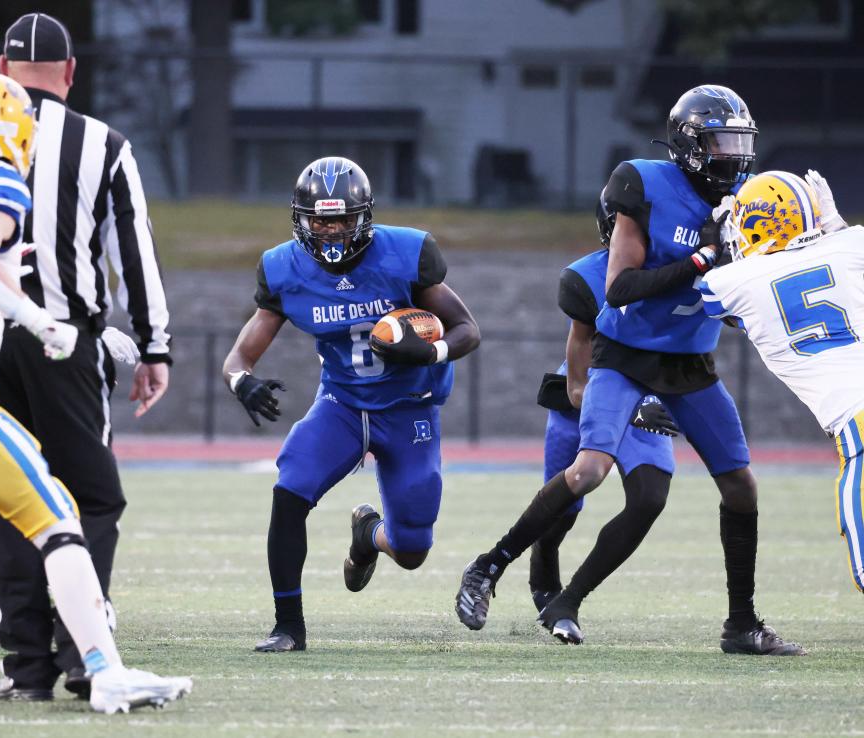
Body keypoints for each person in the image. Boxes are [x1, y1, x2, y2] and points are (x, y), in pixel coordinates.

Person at [456, 85, 804, 655]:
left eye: (739, 142)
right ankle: (489, 565)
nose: (732, 156)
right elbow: (619, 289)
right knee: (588, 470)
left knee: (740, 485)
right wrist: (700, 260)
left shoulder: (748, 200)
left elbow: (740, 295)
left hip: (690, 364)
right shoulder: (642, 184)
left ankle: (741, 623)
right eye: (720, 142)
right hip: (624, 358)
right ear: (689, 143)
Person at [0, 70, 189, 712]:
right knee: (60, 516)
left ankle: (27, 665)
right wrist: (40, 321)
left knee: (10, 512)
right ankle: (102, 669)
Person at [223, 156, 480, 652]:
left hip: (409, 407)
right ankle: (288, 626)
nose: (331, 230)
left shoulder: (407, 254)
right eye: (320, 219)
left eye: (341, 219)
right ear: (302, 219)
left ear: (364, 217)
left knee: (411, 549)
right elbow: (240, 356)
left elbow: (468, 328)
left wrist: (431, 350)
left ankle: (369, 536)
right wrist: (241, 382)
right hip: (341, 403)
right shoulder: (284, 269)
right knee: (289, 491)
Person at [521, 197, 677, 641]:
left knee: (649, 498)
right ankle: (542, 578)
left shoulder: (680, 274)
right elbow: (576, 389)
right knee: (561, 511)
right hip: (591, 400)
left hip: (646, 397)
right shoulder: (587, 278)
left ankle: (570, 599)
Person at [700, 169, 864, 592]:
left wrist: (714, 239)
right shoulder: (851, 245)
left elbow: (718, 301)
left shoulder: (729, 283)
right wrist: (834, 226)